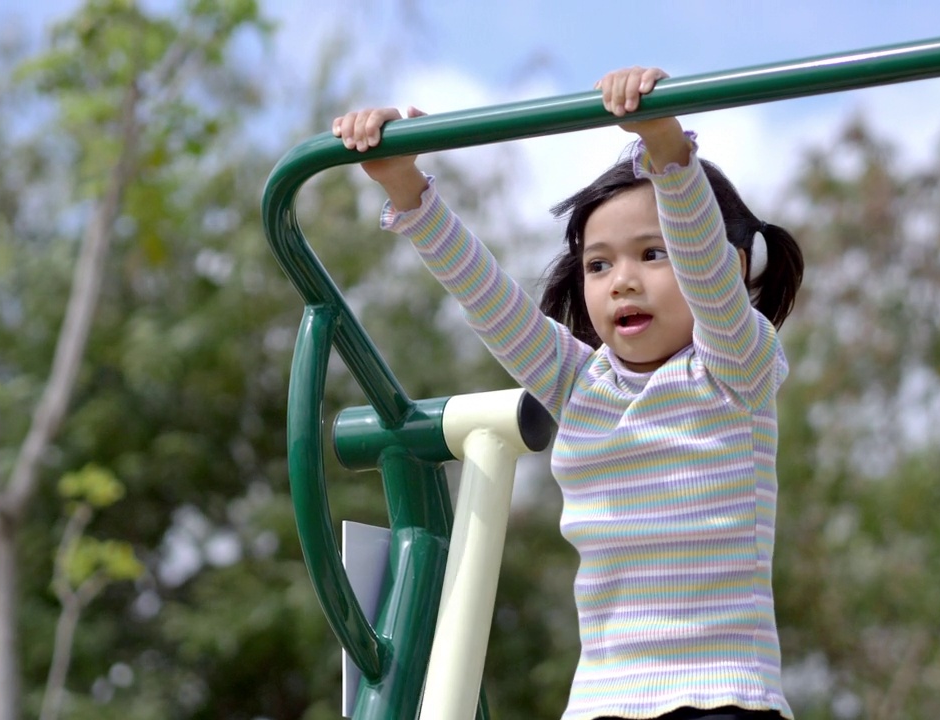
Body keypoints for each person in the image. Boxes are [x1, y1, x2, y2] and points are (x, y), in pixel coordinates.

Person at [333, 66, 804, 720]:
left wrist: (668, 152)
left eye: (652, 254)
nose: (622, 282)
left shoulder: (734, 368)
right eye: (598, 264)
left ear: (730, 266)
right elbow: (488, 301)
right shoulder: (580, 384)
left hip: (719, 694)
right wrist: (405, 187)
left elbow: (707, 272)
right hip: (603, 701)